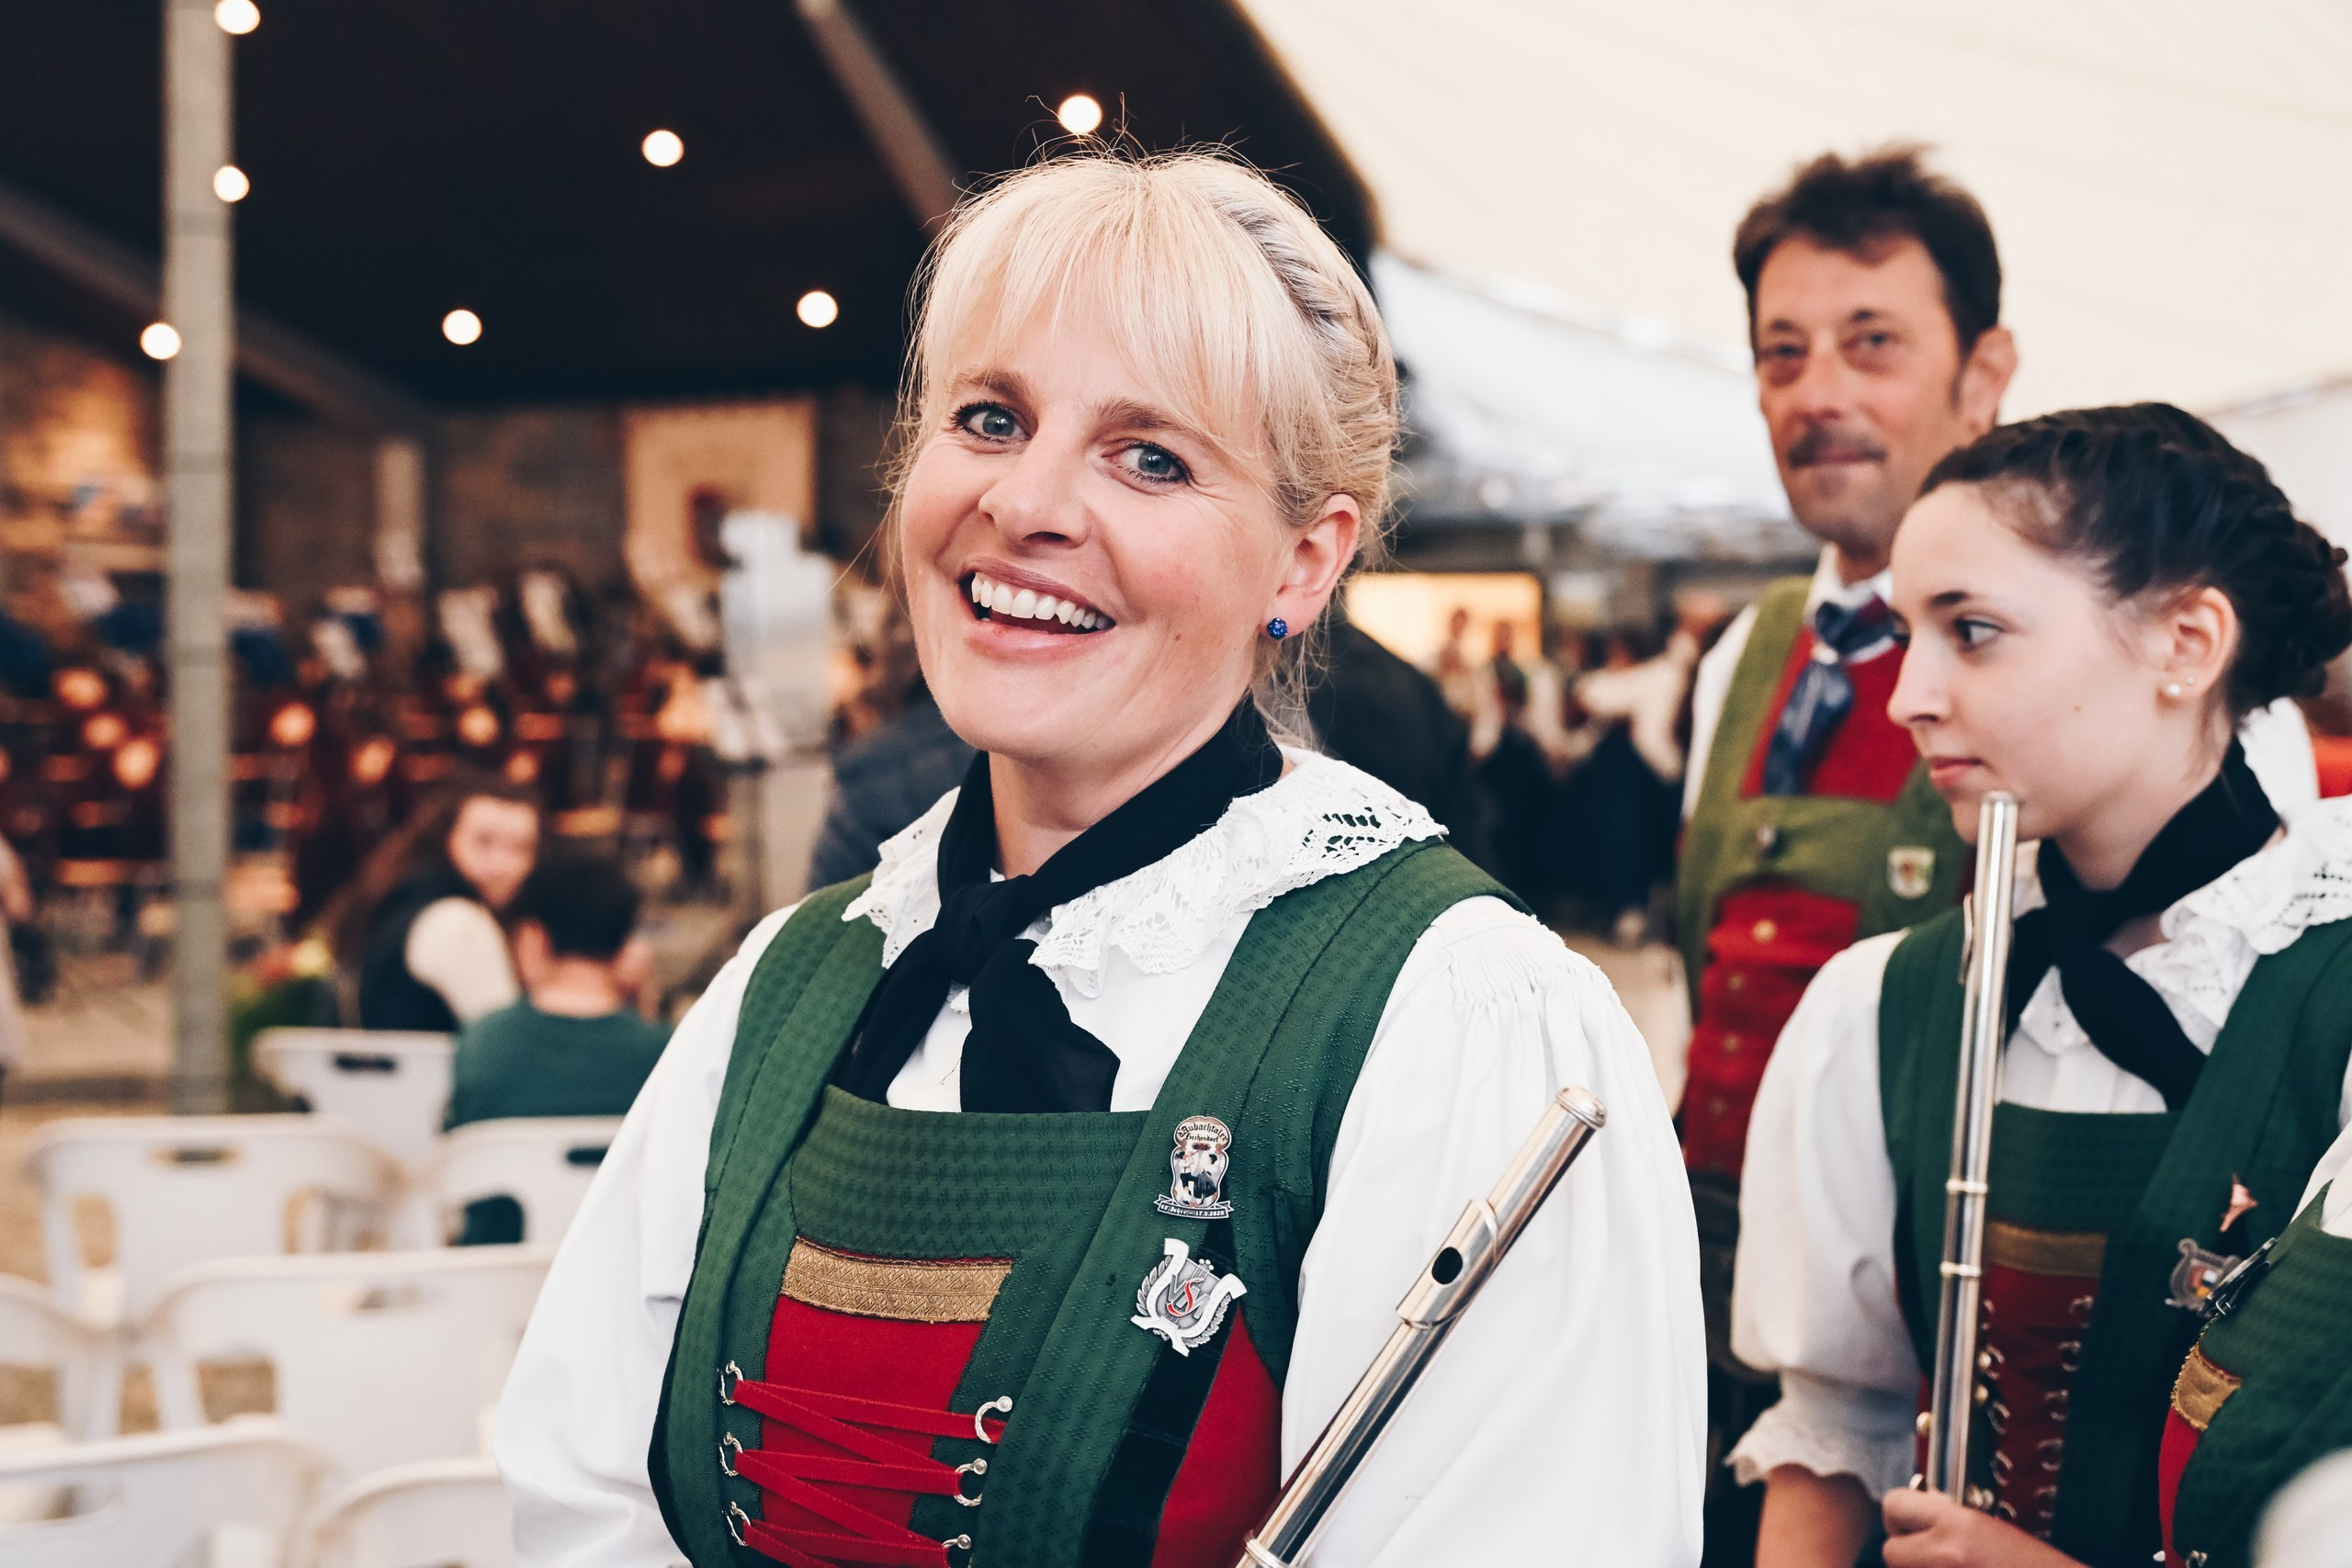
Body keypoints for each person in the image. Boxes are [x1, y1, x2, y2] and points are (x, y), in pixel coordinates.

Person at [496, 150, 1703, 1568]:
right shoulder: (785, 985)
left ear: (1304, 561)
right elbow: (585, 1501)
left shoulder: (1455, 1017)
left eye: (1150, 456)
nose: (1027, 502)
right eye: (990, 418)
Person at [1675, 149, 2316, 1562]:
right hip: (1765, 1257)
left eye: (1871, 341)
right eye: (1782, 351)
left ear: (1983, 372)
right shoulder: (1746, 662)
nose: (1818, 390)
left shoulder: (2281, 918)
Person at [447, 851, 669, 1245]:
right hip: (621, 1272)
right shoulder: (664, 1052)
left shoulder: (482, 1042)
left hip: (496, 1273)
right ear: (626, 947)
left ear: (533, 939)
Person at [333, 776, 538, 1032]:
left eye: (520, 847)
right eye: (484, 841)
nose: (501, 864)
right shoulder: (456, 920)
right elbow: (505, 1040)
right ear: (444, 837)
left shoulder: (404, 898)